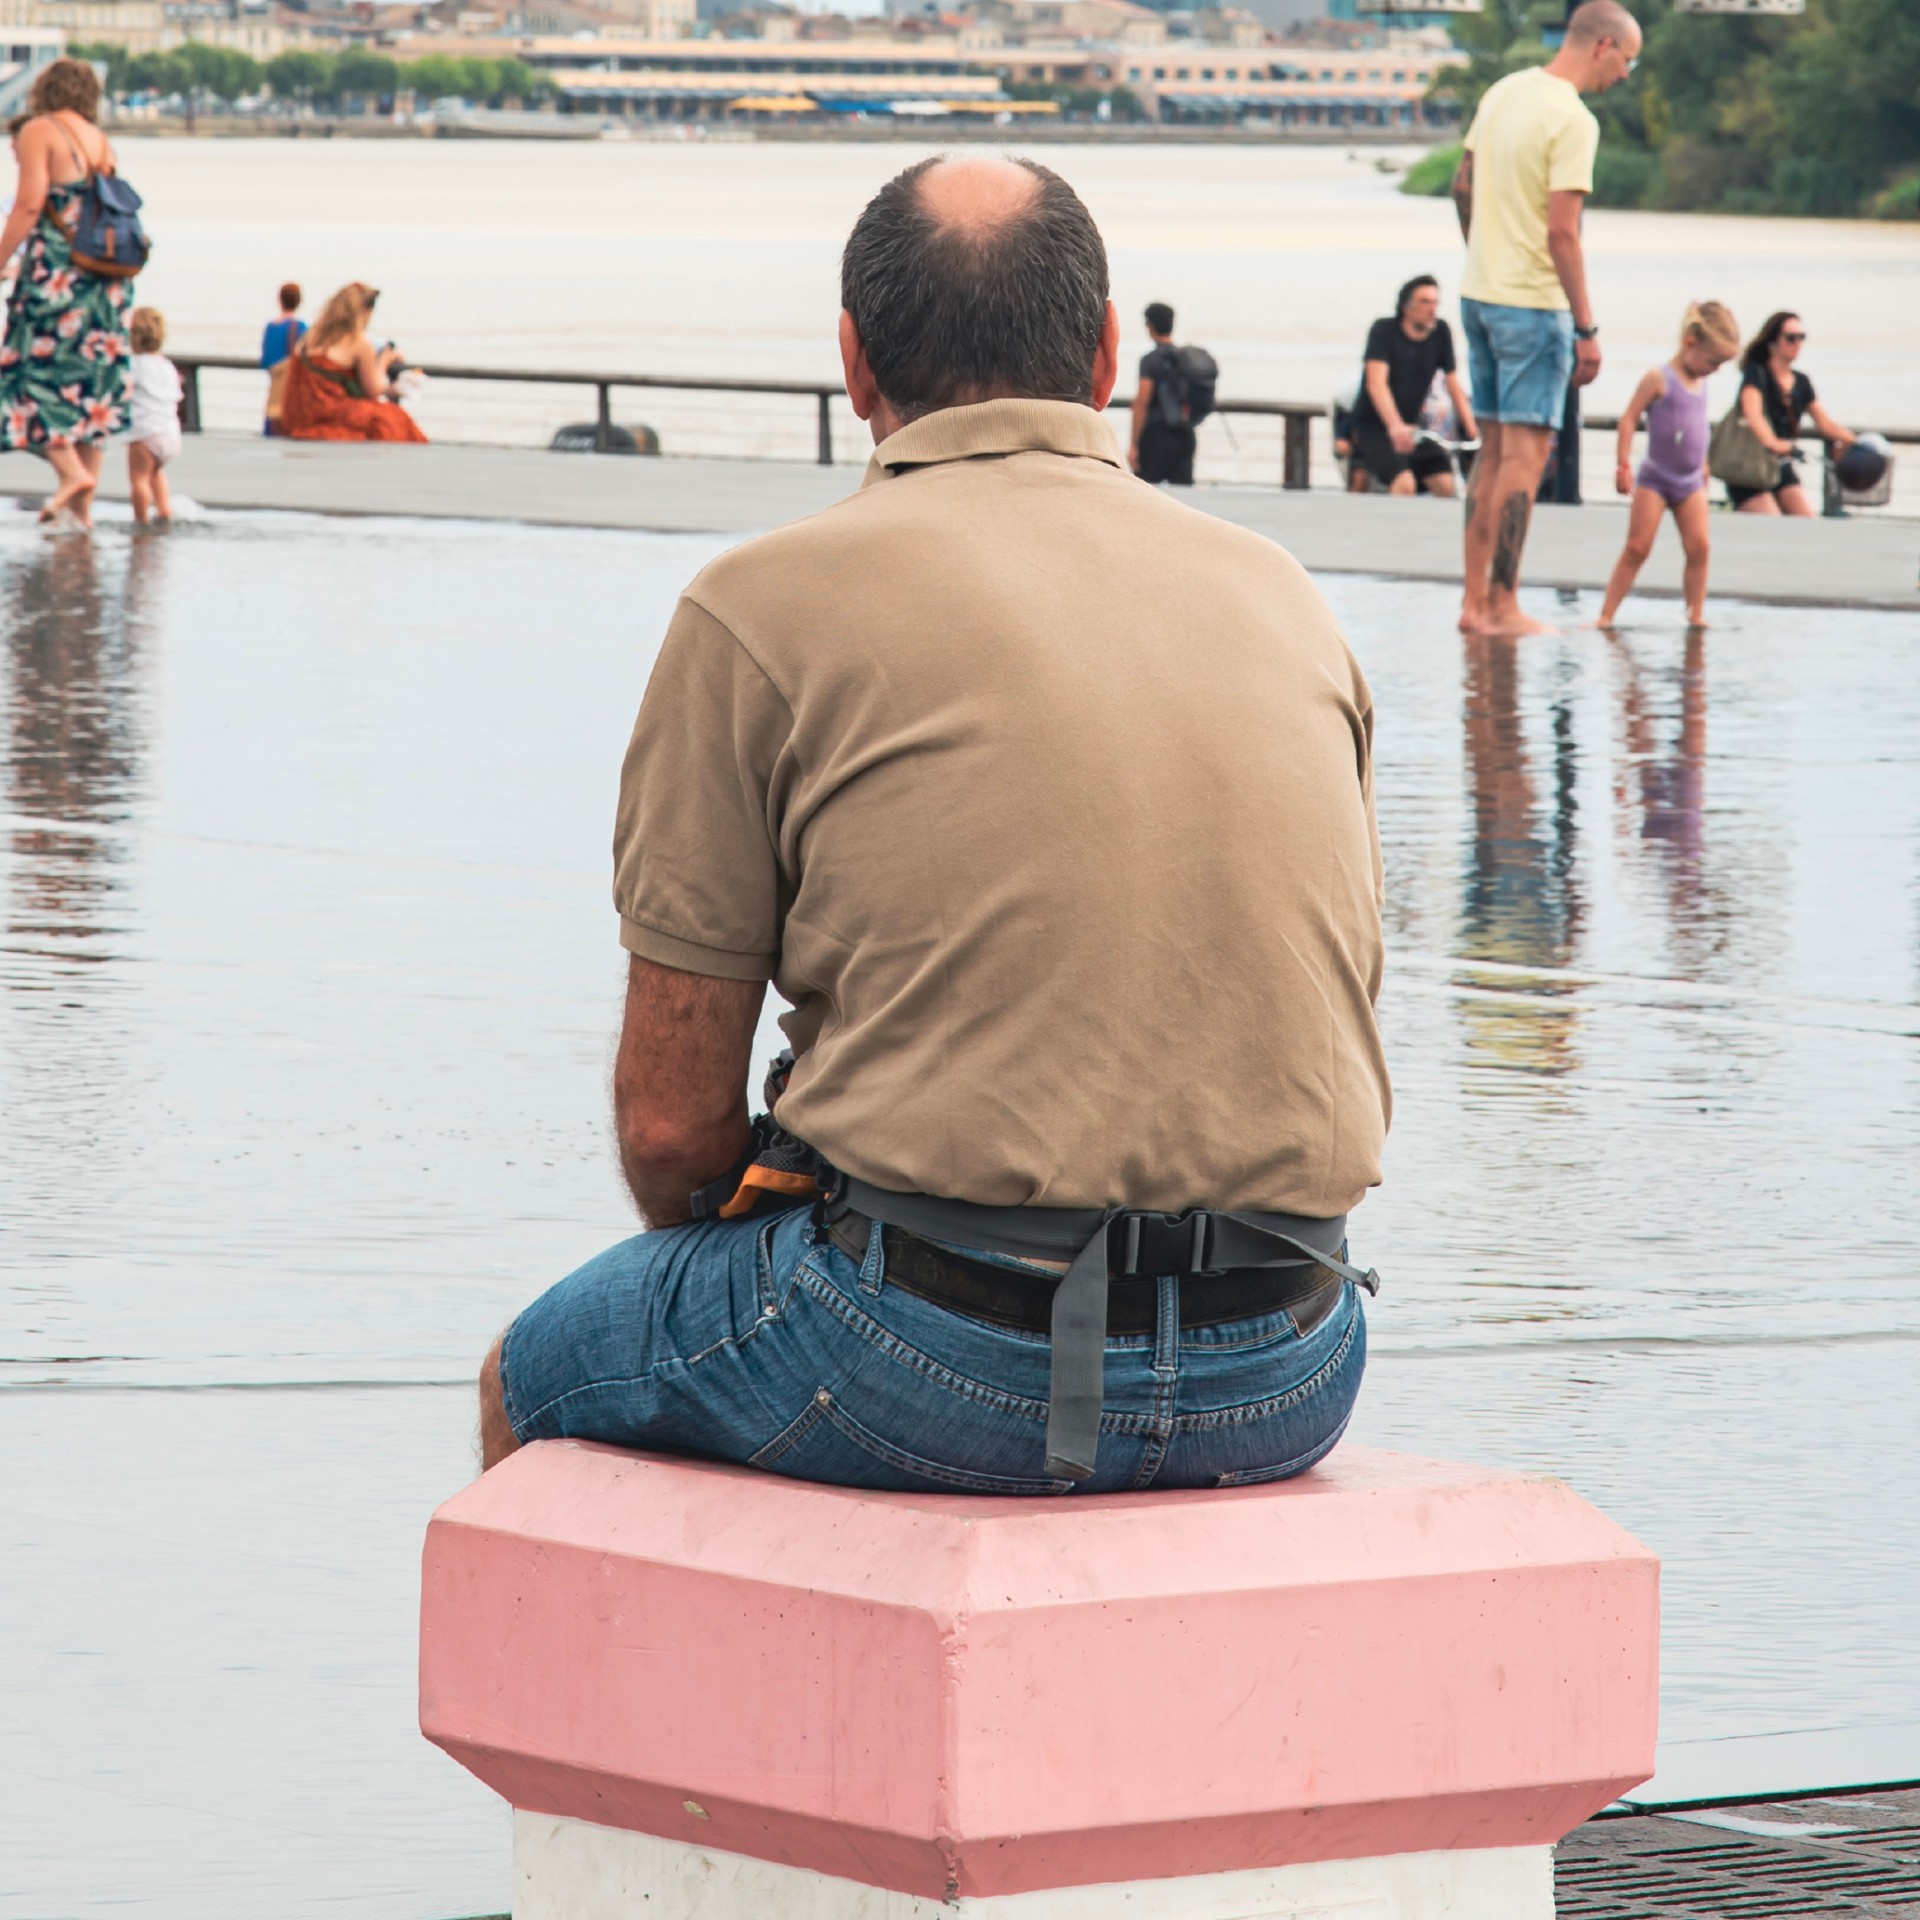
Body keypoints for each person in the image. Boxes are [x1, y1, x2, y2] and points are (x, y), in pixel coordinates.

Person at [477, 155, 1389, 1496]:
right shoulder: (1286, 596)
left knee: (539, 1372)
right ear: (1100, 352)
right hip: (1292, 1358)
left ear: (854, 362)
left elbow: (670, 1133)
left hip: (932, 1351)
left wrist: (756, 1231)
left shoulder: (757, 606)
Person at [1450, 0, 1641, 636]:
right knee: (1524, 462)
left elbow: (1462, 186)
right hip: (1533, 306)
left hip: (1478, 294)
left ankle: (1473, 602)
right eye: (1629, 62)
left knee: (1493, 454)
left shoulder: (1504, 91)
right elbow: (1564, 233)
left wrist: (1482, 252)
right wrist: (1587, 329)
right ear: (1604, 47)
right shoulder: (1573, 120)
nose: (1626, 76)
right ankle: (1502, 606)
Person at [0, 59, 135, 528]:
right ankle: (82, 516)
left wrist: (0, 259)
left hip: (58, 277)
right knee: (90, 388)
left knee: (25, 372)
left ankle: (71, 474)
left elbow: (30, 203)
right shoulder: (100, 140)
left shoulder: (41, 129)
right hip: (106, 282)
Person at [1596, 301, 1741, 629]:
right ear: (1690, 343)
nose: (1714, 370)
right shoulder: (1659, 378)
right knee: (1637, 547)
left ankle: (1695, 613)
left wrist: (1703, 463)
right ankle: (1606, 615)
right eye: (1712, 361)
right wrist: (1622, 465)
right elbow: (1629, 419)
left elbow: (1696, 426)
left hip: (1690, 481)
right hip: (1656, 478)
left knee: (1699, 547)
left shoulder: (1701, 382)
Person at [1349, 274, 1476, 498]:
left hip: (1413, 428)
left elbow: (1453, 384)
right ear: (1406, 307)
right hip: (1375, 427)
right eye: (1425, 302)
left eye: (1436, 302)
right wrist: (1395, 426)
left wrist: (1473, 430)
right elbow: (1376, 384)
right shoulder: (1384, 330)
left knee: (1446, 485)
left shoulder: (1440, 332)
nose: (1432, 309)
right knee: (1404, 482)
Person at [1729, 310, 1857, 516]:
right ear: (1773, 342)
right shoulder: (1756, 373)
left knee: (1807, 522)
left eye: (1801, 337)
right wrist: (1773, 443)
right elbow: (1753, 414)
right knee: (1772, 522)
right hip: (1750, 467)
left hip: (1781, 467)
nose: (1797, 343)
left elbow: (1824, 423)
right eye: (1790, 338)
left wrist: (1852, 441)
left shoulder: (1801, 382)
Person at [278, 281, 427, 444]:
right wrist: (384, 361)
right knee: (394, 418)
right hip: (328, 417)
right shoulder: (358, 341)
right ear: (364, 311)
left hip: (300, 418)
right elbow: (374, 390)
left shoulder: (310, 337)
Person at [124, 304, 181, 526]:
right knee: (156, 473)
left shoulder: (134, 364)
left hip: (146, 432)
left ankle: (141, 521)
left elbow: (121, 390)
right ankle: (164, 510)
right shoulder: (167, 365)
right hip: (170, 433)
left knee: (139, 480)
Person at [1128, 301, 1195, 486]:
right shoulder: (1185, 357)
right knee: (1184, 499)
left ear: (1149, 326)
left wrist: (1134, 444)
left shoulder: (1151, 360)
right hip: (1184, 434)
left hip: (1156, 435)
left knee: (1144, 494)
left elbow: (1142, 401)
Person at [260, 281, 305, 436]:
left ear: (280, 300)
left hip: (273, 392)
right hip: (290, 397)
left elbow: (265, 361)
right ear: (299, 301)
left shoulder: (270, 327)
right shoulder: (301, 327)